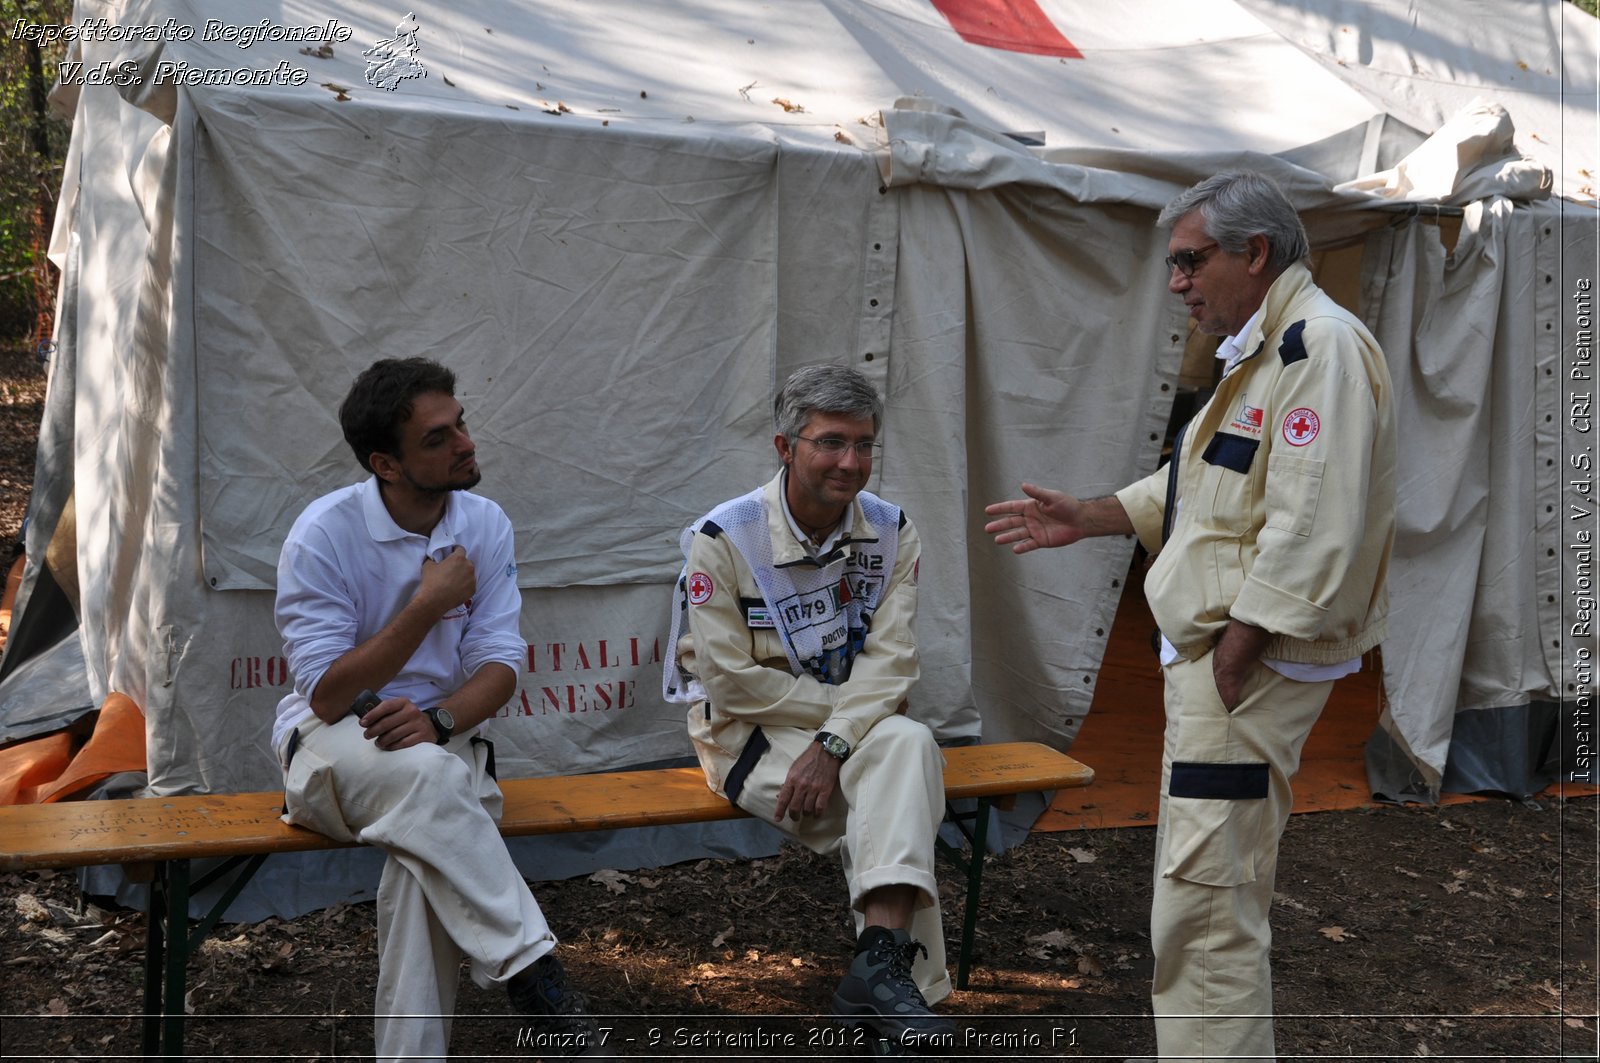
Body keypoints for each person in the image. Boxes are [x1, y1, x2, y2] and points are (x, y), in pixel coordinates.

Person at [985, 171, 1396, 1062]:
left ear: (1255, 253)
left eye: (1189, 261)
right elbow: (1211, 485)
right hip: (1218, 658)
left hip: (1242, 664)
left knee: (1207, 901)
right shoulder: (1266, 346)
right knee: (1198, 886)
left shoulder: (1315, 348)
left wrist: (1237, 649)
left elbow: (1313, 519)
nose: (1176, 282)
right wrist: (1091, 515)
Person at [272, 357, 607, 1061]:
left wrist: (441, 719)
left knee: (423, 868)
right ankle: (535, 975)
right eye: (437, 438)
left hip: (444, 747)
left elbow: (500, 664)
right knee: (432, 781)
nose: (464, 444)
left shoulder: (483, 521)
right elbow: (326, 693)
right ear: (385, 464)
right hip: (333, 743)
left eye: (460, 425)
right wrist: (425, 605)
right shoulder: (324, 533)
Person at [663, 365, 956, 1049]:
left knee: (908, 749)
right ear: (784, 445)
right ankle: (899, 1005)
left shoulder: (892, 530)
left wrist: (832, 742)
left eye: (863, 444)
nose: (850, 463)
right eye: (830, 442)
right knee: (895, 806)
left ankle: (878, 986)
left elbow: (895, 662)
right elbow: (733, 686)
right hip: (746, 738)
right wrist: (848, 717)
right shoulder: (725, 537)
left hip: (854, 735)